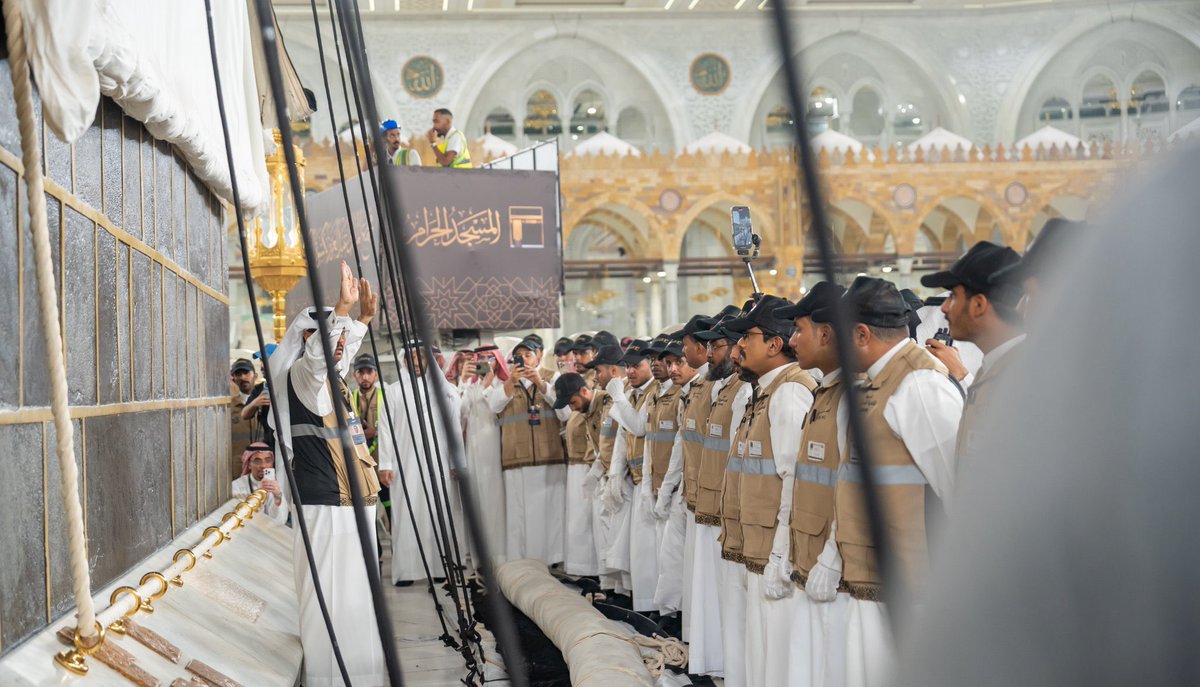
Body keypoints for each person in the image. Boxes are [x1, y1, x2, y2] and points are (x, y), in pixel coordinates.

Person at [817, 276, 963, 687]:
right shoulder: (871, 383)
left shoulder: (920, 386)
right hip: (870, 575)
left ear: (861, 334)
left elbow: (959, 490)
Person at [267, 261, 384, 687]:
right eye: (324, 337)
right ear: (304, 341)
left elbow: (336, 356)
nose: (337, 348)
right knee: (331, 601)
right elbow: (320, 360)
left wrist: (362, 320)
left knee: (358, 602)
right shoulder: (302, 378)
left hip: (353, 506)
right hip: (327, 508)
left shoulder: (334, 382)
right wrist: (341, 309)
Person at [722, 295, 817, 686]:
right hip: (757, 544)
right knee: (761, 649)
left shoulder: (789, 393)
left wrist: (780, 553)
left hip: (775, 551)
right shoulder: (764, 390)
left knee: (778, 654)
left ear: (775, 345)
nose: (739, 346)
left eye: (748, 336)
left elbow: (794, 479)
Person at [778, 281, 850, 687]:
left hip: (840, 564)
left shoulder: (849, 396)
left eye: (799, 330)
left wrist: (833, 555)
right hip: (811, 549)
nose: (792, 340)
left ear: (825, 334)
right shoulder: (824, 391)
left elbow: (851, 487)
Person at [920, 241, 1023, 477]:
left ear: (978, 305)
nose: (944, 308)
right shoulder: (992, 368)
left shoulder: (1026, 376)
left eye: (953, 297)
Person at [693, 314, 752, 685]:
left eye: (717, 346)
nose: (709, 354)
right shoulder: (724, 388)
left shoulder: (746, 391)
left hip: (737, 515)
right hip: (715, 504)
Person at [377, 342, 464, 585]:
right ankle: (406, 572)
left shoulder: (444, 391)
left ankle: (438, 568)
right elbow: (385, 430)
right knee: (406, 515)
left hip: (438, 464)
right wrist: (385, 463)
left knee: (438, 513)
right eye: (411, 358)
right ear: (404, 361)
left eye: (421, 358)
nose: (416, 362)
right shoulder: (394, 392)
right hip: (403, 465)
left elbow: (454, 425)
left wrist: (458, 461)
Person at [486, 335, 567, 563]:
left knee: (550, 514)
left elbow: (565, 413)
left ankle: (552, 559)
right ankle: (522, 562)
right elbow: (494, 406)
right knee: (519, 516)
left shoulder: (553, 378)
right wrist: (510, 382)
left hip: (549, 457)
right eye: (518, 357)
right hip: (516, 459)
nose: (524, 360)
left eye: (528, 355)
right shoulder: (506, 383)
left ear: (538, 356)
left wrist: (541, 384)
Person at [602, 339, 658, 609]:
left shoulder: (653, 392)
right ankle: (637, 600)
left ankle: (654, 606)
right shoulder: (630, 393)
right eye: (628, 367)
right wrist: (615, 474)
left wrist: (619, 398)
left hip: (652, 480)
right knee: (634, 550)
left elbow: (638, 427)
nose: (631, 372)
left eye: (637, 366)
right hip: (635, 478)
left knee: (649, 551)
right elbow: (623, 437)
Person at [650, 332, 702, 615]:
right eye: (669, 362)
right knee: (672, 558)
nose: (672, 369)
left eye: (679, 361)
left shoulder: (703, 391)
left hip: (700, 493)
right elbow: (679, 448)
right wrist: (668, 487)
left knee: (689, 563)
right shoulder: (688, 395)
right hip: (685, 489)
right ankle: (674, 614)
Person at [577, 345, 627, 594]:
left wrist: (616, 473)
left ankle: (625, 593)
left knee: (622, 544)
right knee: (610, 539)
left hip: (627, 478)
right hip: (609, 474)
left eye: (598, 370)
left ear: (614, 370)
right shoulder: (607, 399)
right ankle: (614, 590)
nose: (595, 377)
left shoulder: (624, 396)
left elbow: (628, 439)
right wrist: (598, 471)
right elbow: (606, 443)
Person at [456, 345, 508, 567]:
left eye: (490, 358)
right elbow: (459, 411)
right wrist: (463, 381)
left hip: (495, 447)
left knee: (495, 500)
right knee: (477, 499)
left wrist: (486, 387)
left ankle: (498, 555)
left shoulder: (502, 385)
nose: (486, 362)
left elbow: (497, 407)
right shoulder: (470, 386)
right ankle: (478, 557)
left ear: (497, 361)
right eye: (482, 358)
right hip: (474, 448)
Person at [553, 372, 600, 576]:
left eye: (572, 402)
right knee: (579, 521)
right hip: (576, 467)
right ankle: (583, 569)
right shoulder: (581, 410)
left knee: (589, 522)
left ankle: (594, 571)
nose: (572, 408)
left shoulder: (599, 406)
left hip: (589, 467)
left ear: (584, 391)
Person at [351, 353, 386, 511]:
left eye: (369, 372)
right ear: (354, 375)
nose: (365, 376)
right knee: (365, 510)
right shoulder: (349, 397)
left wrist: (376, 432)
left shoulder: (385, 396)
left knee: (389, 504)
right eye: (361, 372)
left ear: (376, 374)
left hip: (383, 461)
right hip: (360, 462)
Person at [232, 441, 289, 525]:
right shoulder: (237, 486)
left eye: (268, 461)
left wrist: (277, 497)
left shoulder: (277, 486)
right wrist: (260, 492)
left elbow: (280, 521)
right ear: (249, 464)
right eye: (257, 461)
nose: (263, 466)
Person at [230, 358, 260, 478]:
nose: (242, 377)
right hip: (237, 472)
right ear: (234, 379)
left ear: (255, 376)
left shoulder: (266, 402)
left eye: (246, 373)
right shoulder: (228, 408)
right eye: (238, 374)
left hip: (263, 469)